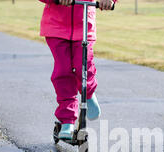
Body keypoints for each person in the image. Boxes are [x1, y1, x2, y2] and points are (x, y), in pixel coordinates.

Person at [39, 0, 115, 140]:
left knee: (83, 65)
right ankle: (67, 120)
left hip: (84, 25)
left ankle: (89, 93)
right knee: (63, 71)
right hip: (57, 27)